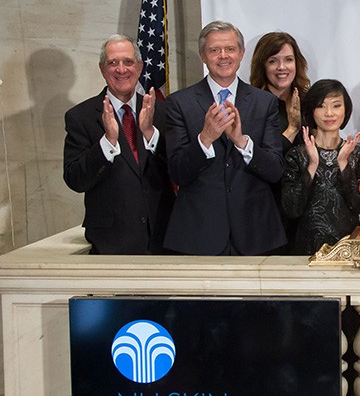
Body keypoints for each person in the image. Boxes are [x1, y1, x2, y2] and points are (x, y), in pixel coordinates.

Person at [165, 20, 286, 255]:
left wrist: (242, 141)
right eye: (214, 50)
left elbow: (275, 171)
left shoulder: (265, 102)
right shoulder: (179, 103)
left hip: (256, 233)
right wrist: (205, 139)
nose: (223, 56)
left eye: (230, 49)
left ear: (241, 54)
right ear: (203, 55)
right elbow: (177, 172)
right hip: (199, 234)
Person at [63, 34, 174, 254]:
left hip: (165, 238)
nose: (121, 69)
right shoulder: (81, 116)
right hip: (111, 243)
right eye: (113, 63)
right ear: (102, 69)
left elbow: (179, 167)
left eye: (128, 62)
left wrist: (150, 133)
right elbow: (75, 179)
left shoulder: (163, 111)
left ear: (140, 67)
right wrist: (107, 142)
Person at [280, 80, 360, 254]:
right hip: (306, 251)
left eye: (336, 106)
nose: (329, 113)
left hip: (347, 250)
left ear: (346, 110)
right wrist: (312, 165)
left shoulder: (356, 154)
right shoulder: (296, 155)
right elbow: (291, 208)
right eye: (321, 106)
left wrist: (343, 163)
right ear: (312, 111)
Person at [249, 31, 311, 150]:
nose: (282, 67)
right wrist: (292, 130)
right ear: (262, 66)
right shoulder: (252, 105)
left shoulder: (309, 101)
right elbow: (260, 157)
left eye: (288, 60)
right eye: (273, 61)